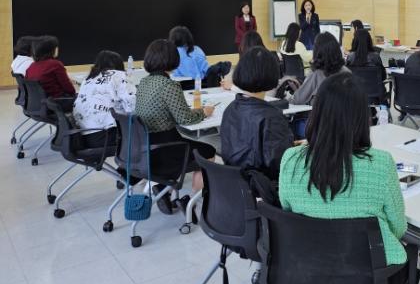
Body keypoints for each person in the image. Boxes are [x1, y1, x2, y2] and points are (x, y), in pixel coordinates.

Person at [279, 72, 417, 284]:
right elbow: (398, 228)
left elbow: (288, 213)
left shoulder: (290, 159)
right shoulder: (381, 164)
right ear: (362, 117)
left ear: (317, 112)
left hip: (306, 277)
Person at [135, 39, 216, 214]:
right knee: (208, 151)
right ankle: (191, 201)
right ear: (172, 59)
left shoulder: (143, 83)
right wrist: (204, 112)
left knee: (190, 146)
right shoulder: (169, 85)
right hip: (166, 147)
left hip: (146, 146)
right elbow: (185, 119)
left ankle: (165, 188)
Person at [221, 47, 293, 181]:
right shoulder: (272, 118)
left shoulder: (230, 109)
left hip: (235, 184)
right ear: (272, 74)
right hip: (263, 187)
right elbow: (282, 165)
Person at [73, 50, 136, 148]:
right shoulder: (119, 76)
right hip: (106, 136)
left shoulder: (88, 79)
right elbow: (133, 107)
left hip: (83, 137)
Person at [290, 32, 349, 106]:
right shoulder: (347, 72)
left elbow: (297, 100)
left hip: (322, 113)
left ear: (317, 52)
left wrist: (292, 93)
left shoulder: (316, 75)